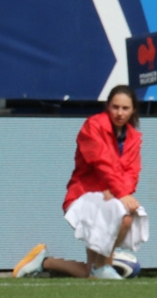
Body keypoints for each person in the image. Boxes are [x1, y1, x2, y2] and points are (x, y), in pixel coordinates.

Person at [15, 86, 145, 280]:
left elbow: (132, 172)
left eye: (125, 108)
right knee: (124, 217)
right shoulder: (93, 126)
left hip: (109, 198)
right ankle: (101, 266)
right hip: (84, 196)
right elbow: (101, 162)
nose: (119, 113)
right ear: (107, 106)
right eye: (115, 107)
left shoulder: (133, 137)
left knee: (89, 273)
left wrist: (120, 192)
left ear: (133, 110)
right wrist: (120, 192)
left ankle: (44, 262)